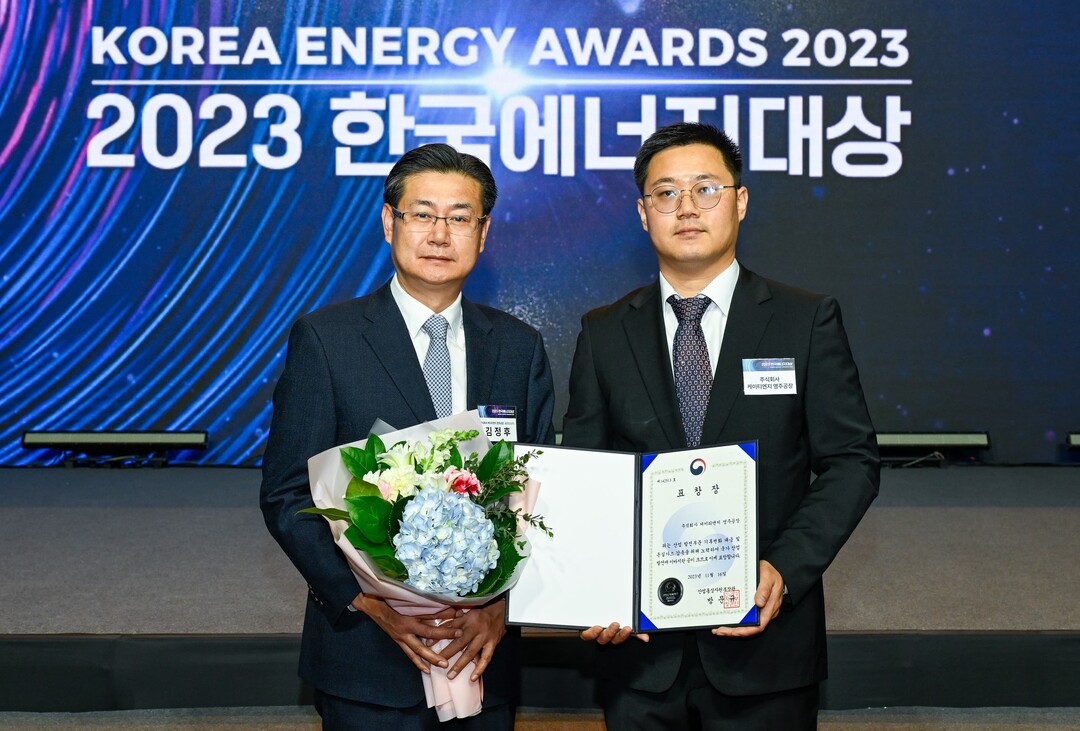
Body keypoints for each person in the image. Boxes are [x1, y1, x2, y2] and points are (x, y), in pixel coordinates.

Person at [561, 122, 880, 730]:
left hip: (765, 646)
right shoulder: (604, 332)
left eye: (706, 189)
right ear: (643, 213)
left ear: (740, 201)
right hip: (640, 654)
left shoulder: (804, 320)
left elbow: (851, 462)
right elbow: (584, 476)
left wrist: (784, 568)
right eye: (666, 193)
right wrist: (598, 586)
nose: (686, 207)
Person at [261, 143, 555, 730]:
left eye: (459, 217)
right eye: (422, 214)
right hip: (367, 655)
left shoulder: (518, 347)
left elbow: (543, 489)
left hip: (482, 654)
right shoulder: (327, 339)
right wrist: (367, 601)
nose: (440, 234)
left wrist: (500, 607)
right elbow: (288, 494)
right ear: (389, 222)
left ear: (483, 232)